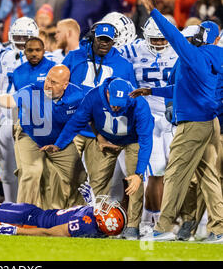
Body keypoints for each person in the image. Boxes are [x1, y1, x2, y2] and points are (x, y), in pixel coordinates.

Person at [133, 0, 223, 243]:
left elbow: (173, 37)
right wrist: (153, 90)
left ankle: (163, 226)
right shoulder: (208, 59)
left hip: (193, 123)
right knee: (207, 175)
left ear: (202, 37)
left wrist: (153, 12)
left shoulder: (197, 55)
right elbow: (182, 89)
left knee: (174, 173)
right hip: (208, 122)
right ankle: (219, 228)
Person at [41, 77, 155, 240]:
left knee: (134, 183)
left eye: (120, 103)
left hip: (132, 141)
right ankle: (98, 222)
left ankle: (133, 226)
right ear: (107, 93)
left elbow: (146, 140)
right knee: (98, 181)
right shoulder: (94, 96)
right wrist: (59, 144)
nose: (116, 107)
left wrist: (139, 173)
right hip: (107, 140)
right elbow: (76, 122)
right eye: (114, 102)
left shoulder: (139, 104)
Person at [0, 64, 87, 209]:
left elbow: (91, 114)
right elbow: (11, 100)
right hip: (30, 135)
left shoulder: (78, 96)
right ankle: (23, 216)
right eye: (47, 80)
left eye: (54, 82)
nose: (48, 85)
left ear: (65, 85)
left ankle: (78, 214)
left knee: (78, 175)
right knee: (32, 171)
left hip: (58, 140)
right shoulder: (33, 90)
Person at [118, 17, 178, 234]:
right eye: (155, 39)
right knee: (155, 170)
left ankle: (170, 221)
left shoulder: (180, 48)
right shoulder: (131, 51)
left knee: (176, 171)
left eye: (163, 39)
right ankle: (150, 221)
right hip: (147, 115)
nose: (160, 43)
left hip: (174, 116)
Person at [0, 182, 127, 238]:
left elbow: (50, 233)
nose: (105, 206)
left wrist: (18, 230)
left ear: (105, 222)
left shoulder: (84, 225)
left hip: (29, 221)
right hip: (37, 212)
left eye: (107, 210)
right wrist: (91, 203)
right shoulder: (95, 222)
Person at [0, 17, 40, 203]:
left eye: (25, 37)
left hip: (30, 119)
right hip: (5, 117)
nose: (21, 41)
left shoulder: (45, 59)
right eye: (18, 36)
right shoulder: (2, 55)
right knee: (6, 169)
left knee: (29, 169)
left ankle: (28, 208)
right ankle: (9, 206)